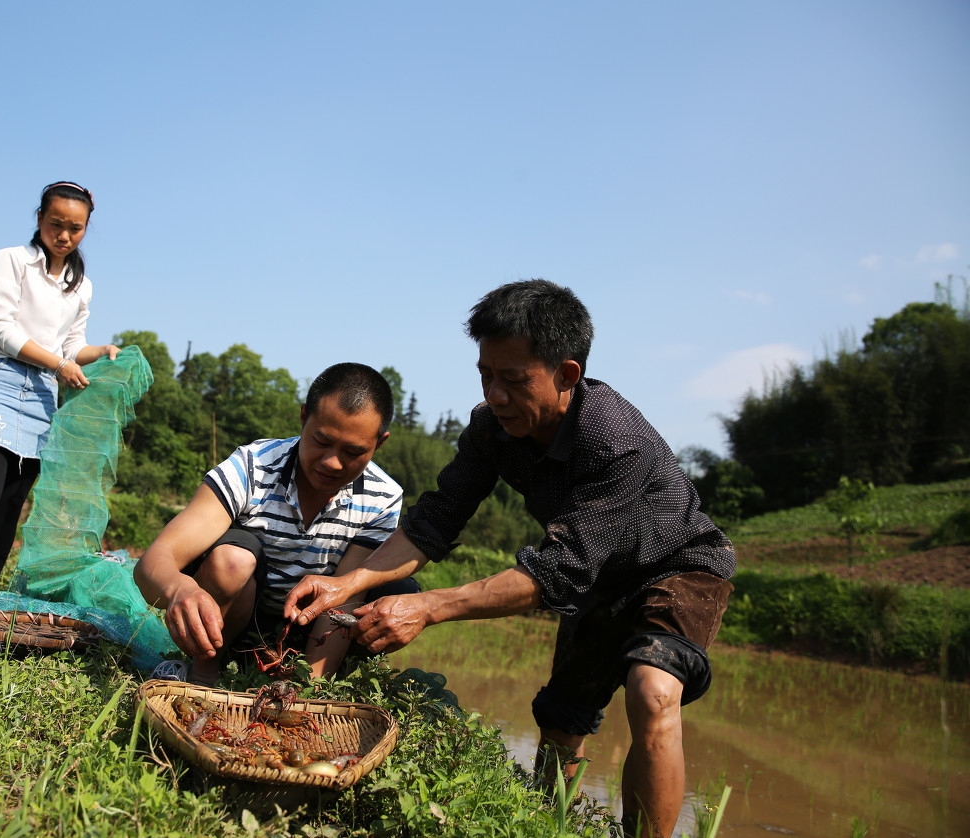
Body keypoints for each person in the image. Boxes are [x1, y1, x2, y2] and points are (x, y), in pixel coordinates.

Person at [285, 280, 736, 838]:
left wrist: (426, 606)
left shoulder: (615, 439)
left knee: (653, 691)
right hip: (598, 577)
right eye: (485, 374)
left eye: (514, 380)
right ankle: (548, 826)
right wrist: (346, 584)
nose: (495, 394)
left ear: (567, 374)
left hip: (676, 566)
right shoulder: (492, 430)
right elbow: (434, 523)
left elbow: (556, 572)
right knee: (560, 721)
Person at [133, 362, 415, 684]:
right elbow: (154, 561)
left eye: (353, 452)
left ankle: (307, 676)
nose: (332, 462)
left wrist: (309, 687)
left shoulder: (382, 498)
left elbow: (344, 598)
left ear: (379, 443)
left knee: (396, 589)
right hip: (234, 620)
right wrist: (179, 589)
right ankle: (203, 672)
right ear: (303, 417)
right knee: (233, 560)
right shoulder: (253, 466)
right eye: (321, 441)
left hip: (308, 630)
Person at [0, 181, 120, 606]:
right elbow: (1, 330)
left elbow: (72, 346)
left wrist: (103, 352)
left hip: (40, 395)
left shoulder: (81, 286)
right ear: (39, 219)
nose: (64, 235)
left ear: (86, 229)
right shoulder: (11, 261)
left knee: (11, 501)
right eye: (56, 224)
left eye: (75, 228)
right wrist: (59, 364)